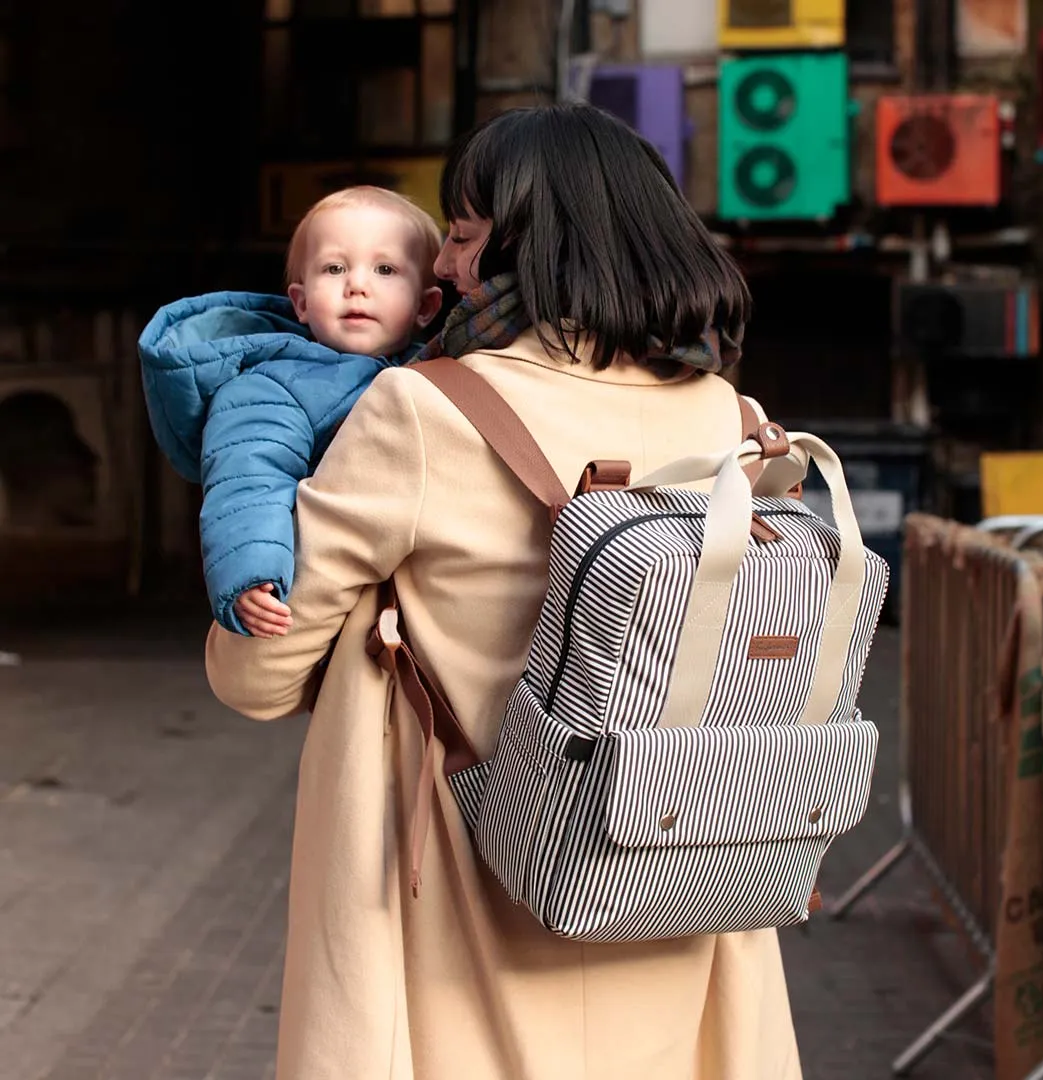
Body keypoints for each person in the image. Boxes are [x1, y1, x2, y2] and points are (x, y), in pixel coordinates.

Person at [205, 103, 804, 1079]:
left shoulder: (422, 410)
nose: (443, 264)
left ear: (535, 246)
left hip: (466, 905)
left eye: (466, 233)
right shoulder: (730, 417)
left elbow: (257, 678)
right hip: (680, 873)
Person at [138, 186, 443, 636]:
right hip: (326, 593)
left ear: (426, 305)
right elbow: (248, 479)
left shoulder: (438, 372)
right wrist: (252, 574)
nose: (357, 284)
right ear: (300, 301)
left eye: (385, 269)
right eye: (335, 267)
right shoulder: (273, 384)